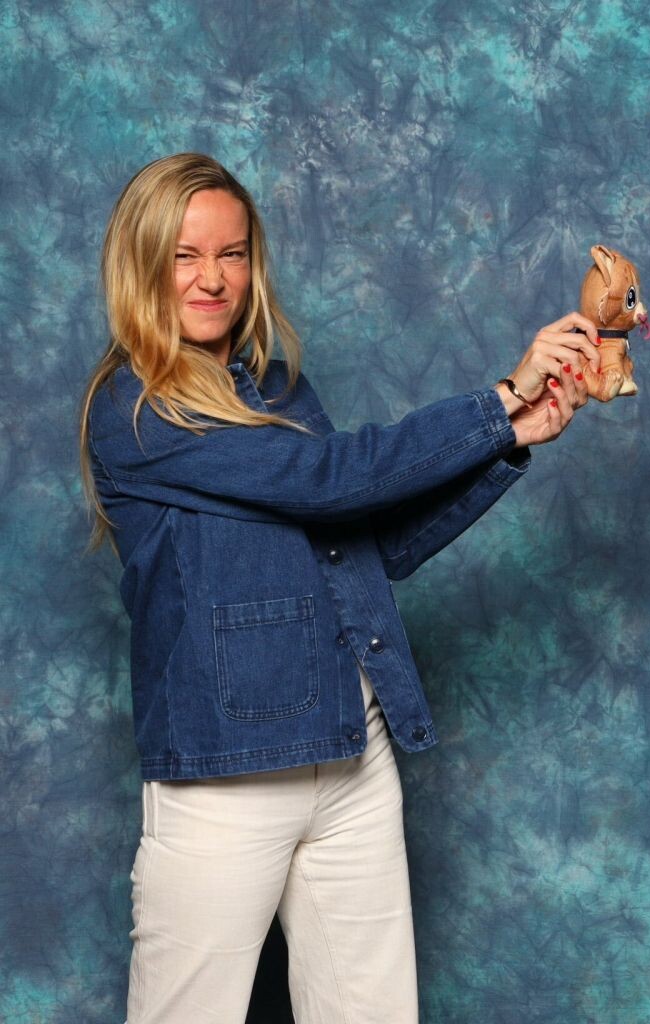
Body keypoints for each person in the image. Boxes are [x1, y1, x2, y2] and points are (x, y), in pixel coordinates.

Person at [79, 153, 601, 1023]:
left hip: (351, 748)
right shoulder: (138, 408)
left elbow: (370, 542)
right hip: (227, 774)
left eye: (233, 253)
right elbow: (329, 479)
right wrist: (498, 399)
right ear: (140, 265)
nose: (214, 279)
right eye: (184, 256)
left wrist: (511, 439)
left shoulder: (278, 387)